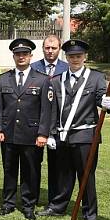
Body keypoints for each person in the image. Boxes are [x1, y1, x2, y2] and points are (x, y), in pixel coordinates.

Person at [38, 39, 110, 220]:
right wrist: (51, 135)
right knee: (62, 175)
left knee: (86, 177)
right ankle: (57, 206)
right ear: (67, 57)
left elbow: (102, 100)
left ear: (85, 57)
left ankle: (90, 216)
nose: (75, 59)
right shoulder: (57, 80)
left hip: (85, 136)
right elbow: (53, 110)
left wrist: (109, 104)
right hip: (63, 136)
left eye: (78, 56)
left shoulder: (96, 78)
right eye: (71, 56)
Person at [0, 38, 52, 220]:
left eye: (24, 54)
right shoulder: (4, 79)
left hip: (31, 135)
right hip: (8, 133)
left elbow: (46, 110)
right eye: (18, 54)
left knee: (30, 171)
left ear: (30, 56)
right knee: (9, 169)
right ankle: (8, 203)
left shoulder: (42, 79)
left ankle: (28, 205)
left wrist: (43, 133)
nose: (21, 57)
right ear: (13, 56)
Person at [30, 34, 68, 206]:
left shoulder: (67, 68)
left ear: (59, 49)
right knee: (33, 163)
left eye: (54, 48)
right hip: (35, 124)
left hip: (58, 124)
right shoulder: (33, 67)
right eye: (47, 48)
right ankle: (31, 198)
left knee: (57, 165)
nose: (50, 51)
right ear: (42, 48)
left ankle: (54, 200)